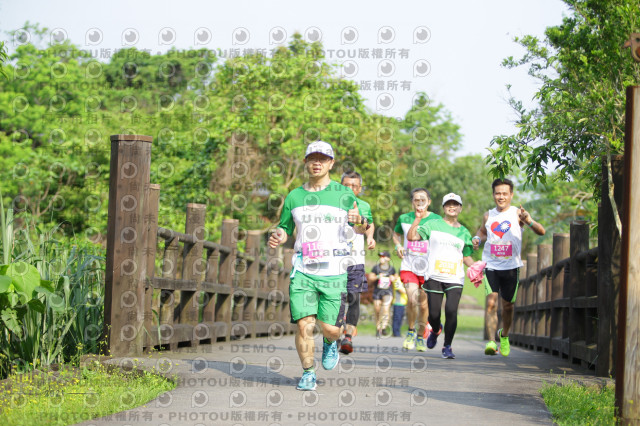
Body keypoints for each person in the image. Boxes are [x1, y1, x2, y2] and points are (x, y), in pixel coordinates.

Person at [268, 141, 366, 391]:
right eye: (313, 158)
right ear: (306, 162)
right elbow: (285, 227)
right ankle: (308, 372)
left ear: (331, 163)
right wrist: (279, 234)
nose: (317, 162)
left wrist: (359, 222)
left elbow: (360, 227)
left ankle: (331, 342)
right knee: (304, 324)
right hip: (303, 269)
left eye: (323, 158)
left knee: (331, 329)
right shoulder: (294, 196)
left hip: (334, 271)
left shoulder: (344, 195)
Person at [472, 178, 546, 357]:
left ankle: (503, 335)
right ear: (493, 195)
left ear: (511, 195)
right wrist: (476, 238)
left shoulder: (517, 214)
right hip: (491, 265)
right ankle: (491, 342)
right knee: (491, 303)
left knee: (508, 307)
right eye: (497, 193)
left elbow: (541, 231)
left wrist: (528, 220)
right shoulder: (488, 216)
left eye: (505, 193)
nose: (501, 197)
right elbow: (482, 232)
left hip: (511, 266)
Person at [407, 193, 476, 359]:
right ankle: (436, 329)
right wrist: (417, 219)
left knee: (452, 311)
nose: (452, 207)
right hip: (434, 276)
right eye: (448, 204)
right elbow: (411, 237)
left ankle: (447, 346)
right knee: (434, 315)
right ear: (444, 207)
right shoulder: (433, 224)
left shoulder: (464, 232)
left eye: (455, 204)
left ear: (460, 208)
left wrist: (476, 267)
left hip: (455, 278)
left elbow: (465, 256)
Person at [393, 188, 441, 351]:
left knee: (423, 304)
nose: (419, 203)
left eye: (423, 200)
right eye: (416, 200)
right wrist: (398, 245)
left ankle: (421, 336)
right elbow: (396, 233)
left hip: (428, 268)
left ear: (429, 202)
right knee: (412, 299)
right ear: (412, 202)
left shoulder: (436, 219)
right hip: (409, 265)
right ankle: (411, 331)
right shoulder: (404, 218)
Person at [339, 171, 375, 355]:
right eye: (346, 185)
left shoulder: (364, 205)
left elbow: (368, 225)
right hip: (333, 261)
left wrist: (370, 237)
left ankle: (348, 337)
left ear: (359, 188)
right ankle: (336, 332)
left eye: (354, 186)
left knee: (353, 298)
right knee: (336, 299)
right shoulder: (332, 204)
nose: (350, 189)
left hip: (355, 260)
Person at [367, 251, 397, 337]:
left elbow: (396, 277)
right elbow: (370, 278)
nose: (381, 258)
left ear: (388, 258)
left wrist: (393, 278)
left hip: (388, 291)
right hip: (377, 291)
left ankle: (383, 327)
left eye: (383, 256)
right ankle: (378, 328)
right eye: (380, 256)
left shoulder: (391, 269)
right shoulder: (376, 268)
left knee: (386, 308)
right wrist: (377, 276)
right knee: (377, 309)